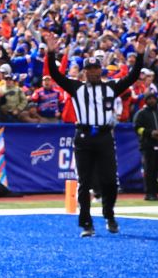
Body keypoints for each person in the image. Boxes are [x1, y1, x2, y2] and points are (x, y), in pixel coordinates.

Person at [44, 30, 146, 237]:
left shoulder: (111, 87)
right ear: (83, 72)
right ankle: (87, 223)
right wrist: (51, 53)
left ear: (100, 70)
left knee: (110, 180)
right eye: (88, 69)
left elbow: (132, 77)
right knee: (85, 182)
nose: (92, 72)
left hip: (104, 136)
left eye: (95, 69)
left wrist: (140, 56)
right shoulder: (77, 87)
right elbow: (55, 75)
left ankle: (109, 214)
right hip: (83, 137)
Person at [133, 90, 158, 201]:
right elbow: (137, 128)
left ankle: (154, 193)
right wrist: (150, 133)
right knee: (148, 170)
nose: (152, 100)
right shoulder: (141, 113)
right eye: (149, 99)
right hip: (147, 145)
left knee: (155, 170)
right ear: (146, 101)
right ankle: (148, 193)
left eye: (153, 98)